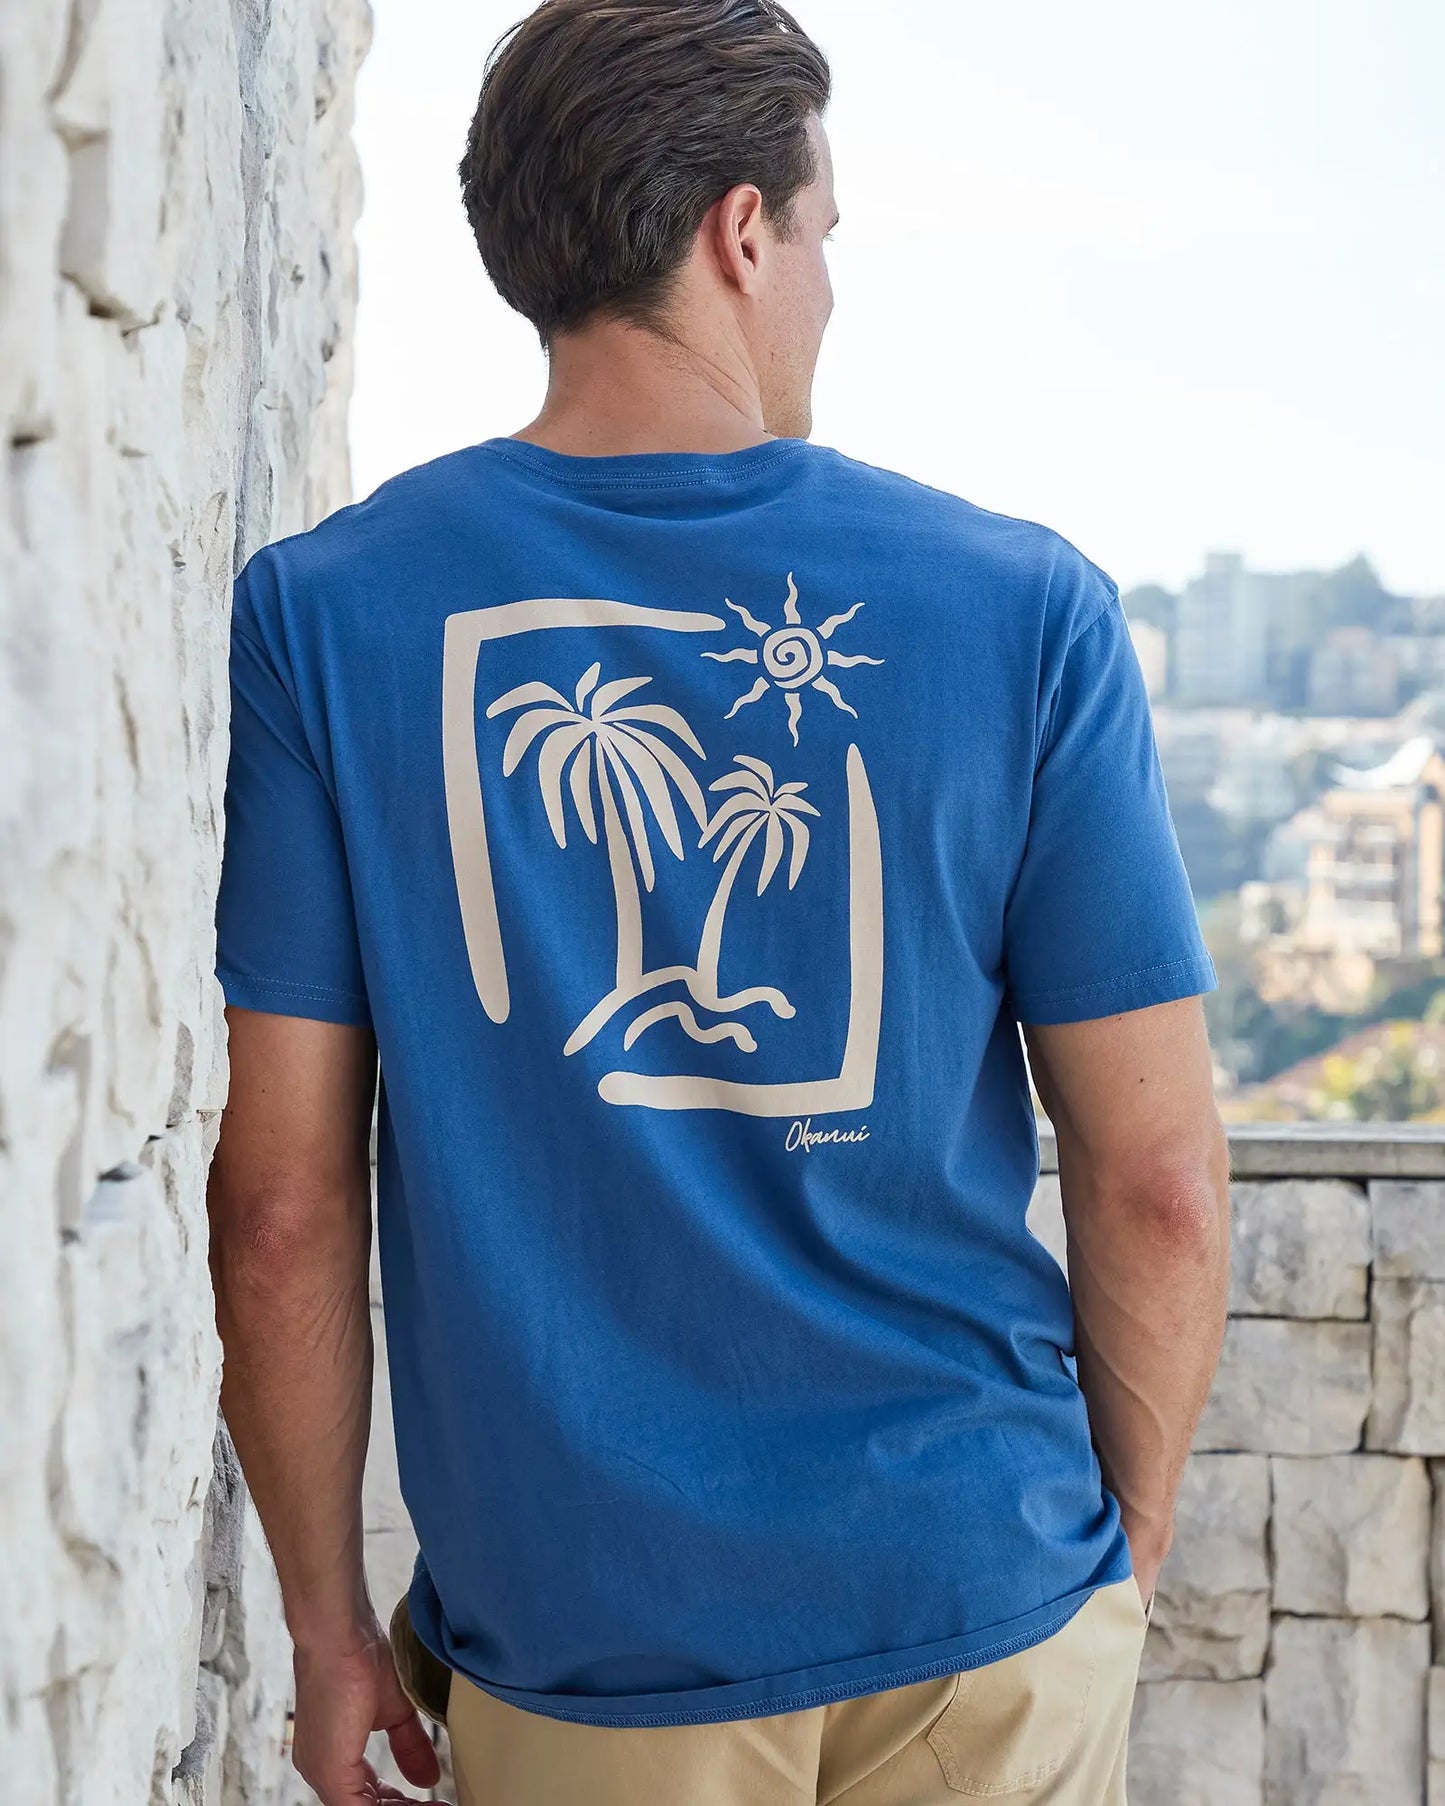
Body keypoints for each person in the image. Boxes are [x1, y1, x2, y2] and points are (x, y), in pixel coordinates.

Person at [206, 2, 1231, 1801]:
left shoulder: (328, 613)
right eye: (822, 236)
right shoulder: (1022, 607)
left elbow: (284, 1205)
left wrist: (325, 1627)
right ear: (739, 234)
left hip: (591, 1653)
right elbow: (1152, 1176)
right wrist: (1113, 1562)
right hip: (980, 1598)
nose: (824, 284)